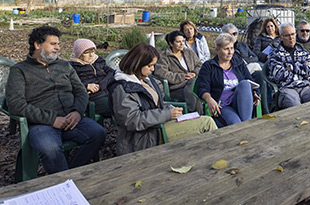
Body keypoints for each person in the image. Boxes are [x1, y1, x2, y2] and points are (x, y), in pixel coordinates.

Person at [5, 26, 106, 174]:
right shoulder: (20, 70)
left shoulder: (64, 66)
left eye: (58, 44)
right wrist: (52, 120)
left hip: (72, 119)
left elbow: (80, 91)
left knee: (98, 133)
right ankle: (63, 182)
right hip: (42, 124)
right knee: (49, 148)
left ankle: (70, 174)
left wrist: (77, 112)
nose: (58, 48)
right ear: (37, 45)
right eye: (53, 44)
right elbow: (15, 105)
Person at [108, 43, 216, 156]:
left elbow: (153, 104)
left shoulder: (144, 79)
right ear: (137, 64)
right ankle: (215, 154)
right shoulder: (122, 88)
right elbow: (132, 120)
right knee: (206, 123)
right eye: (150, 66)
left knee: (203, 121)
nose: (152, 69)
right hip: (143, 138)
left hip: (157, 127)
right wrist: (167, 114)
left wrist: (169, 109)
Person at [197, 33, 260, 127]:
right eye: (226, 49)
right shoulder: (209, 66)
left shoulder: (238, 62)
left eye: (232, 48)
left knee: (245, 84)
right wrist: (209, 99)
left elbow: (250, 80)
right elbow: (202, 87)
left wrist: (255, 92)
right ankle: (247, 127)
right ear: (217, 50)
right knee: (236, 123)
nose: (230, 52)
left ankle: (246, 125)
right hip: (222, 105)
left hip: (238, 102)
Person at [268, 23, 310, 109]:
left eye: (293, 34)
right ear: (281, 37)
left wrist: (291, 68)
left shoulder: (303, 51)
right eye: (287, 35)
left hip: (305, 86)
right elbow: (279, 76)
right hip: (287, 88)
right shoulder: (275, 54)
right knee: (296, 108)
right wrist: (303, 68)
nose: (291, 38)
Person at [222, 23, 269, 114]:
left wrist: (246, 60)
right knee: (256, 70)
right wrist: (248, 59)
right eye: (229, 34)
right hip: (237, 74)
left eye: (234, 34)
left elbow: (255, 57)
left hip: (250, 71)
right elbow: (235, 62)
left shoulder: (243, 45)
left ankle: (264, 108)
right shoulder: (225, 49)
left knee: (260, 77)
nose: (232, 36)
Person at [154, 30, 204, 114]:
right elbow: (161, 73)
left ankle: (193, 113)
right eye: (178, 42)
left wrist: (194, 73)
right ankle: (196, 114)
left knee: (195, 88)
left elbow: (199, 65)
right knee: (195, 90)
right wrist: (183, 76)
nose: (182, 44)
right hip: (177, 87)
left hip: (192, 83)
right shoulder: (165, 57)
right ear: (171, 43)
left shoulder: (189, 52)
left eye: (183, 41)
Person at [69, 38, 115, 117]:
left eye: (93, 51)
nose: (91, 55)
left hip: (108, 90)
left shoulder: (99, 61)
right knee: (116, 106)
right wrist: (86, 86)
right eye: (87, 52)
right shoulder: (73, 66)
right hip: (93, 97)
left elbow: (111, 72)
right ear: (79, 54)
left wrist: (100, 85)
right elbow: (68, 83)